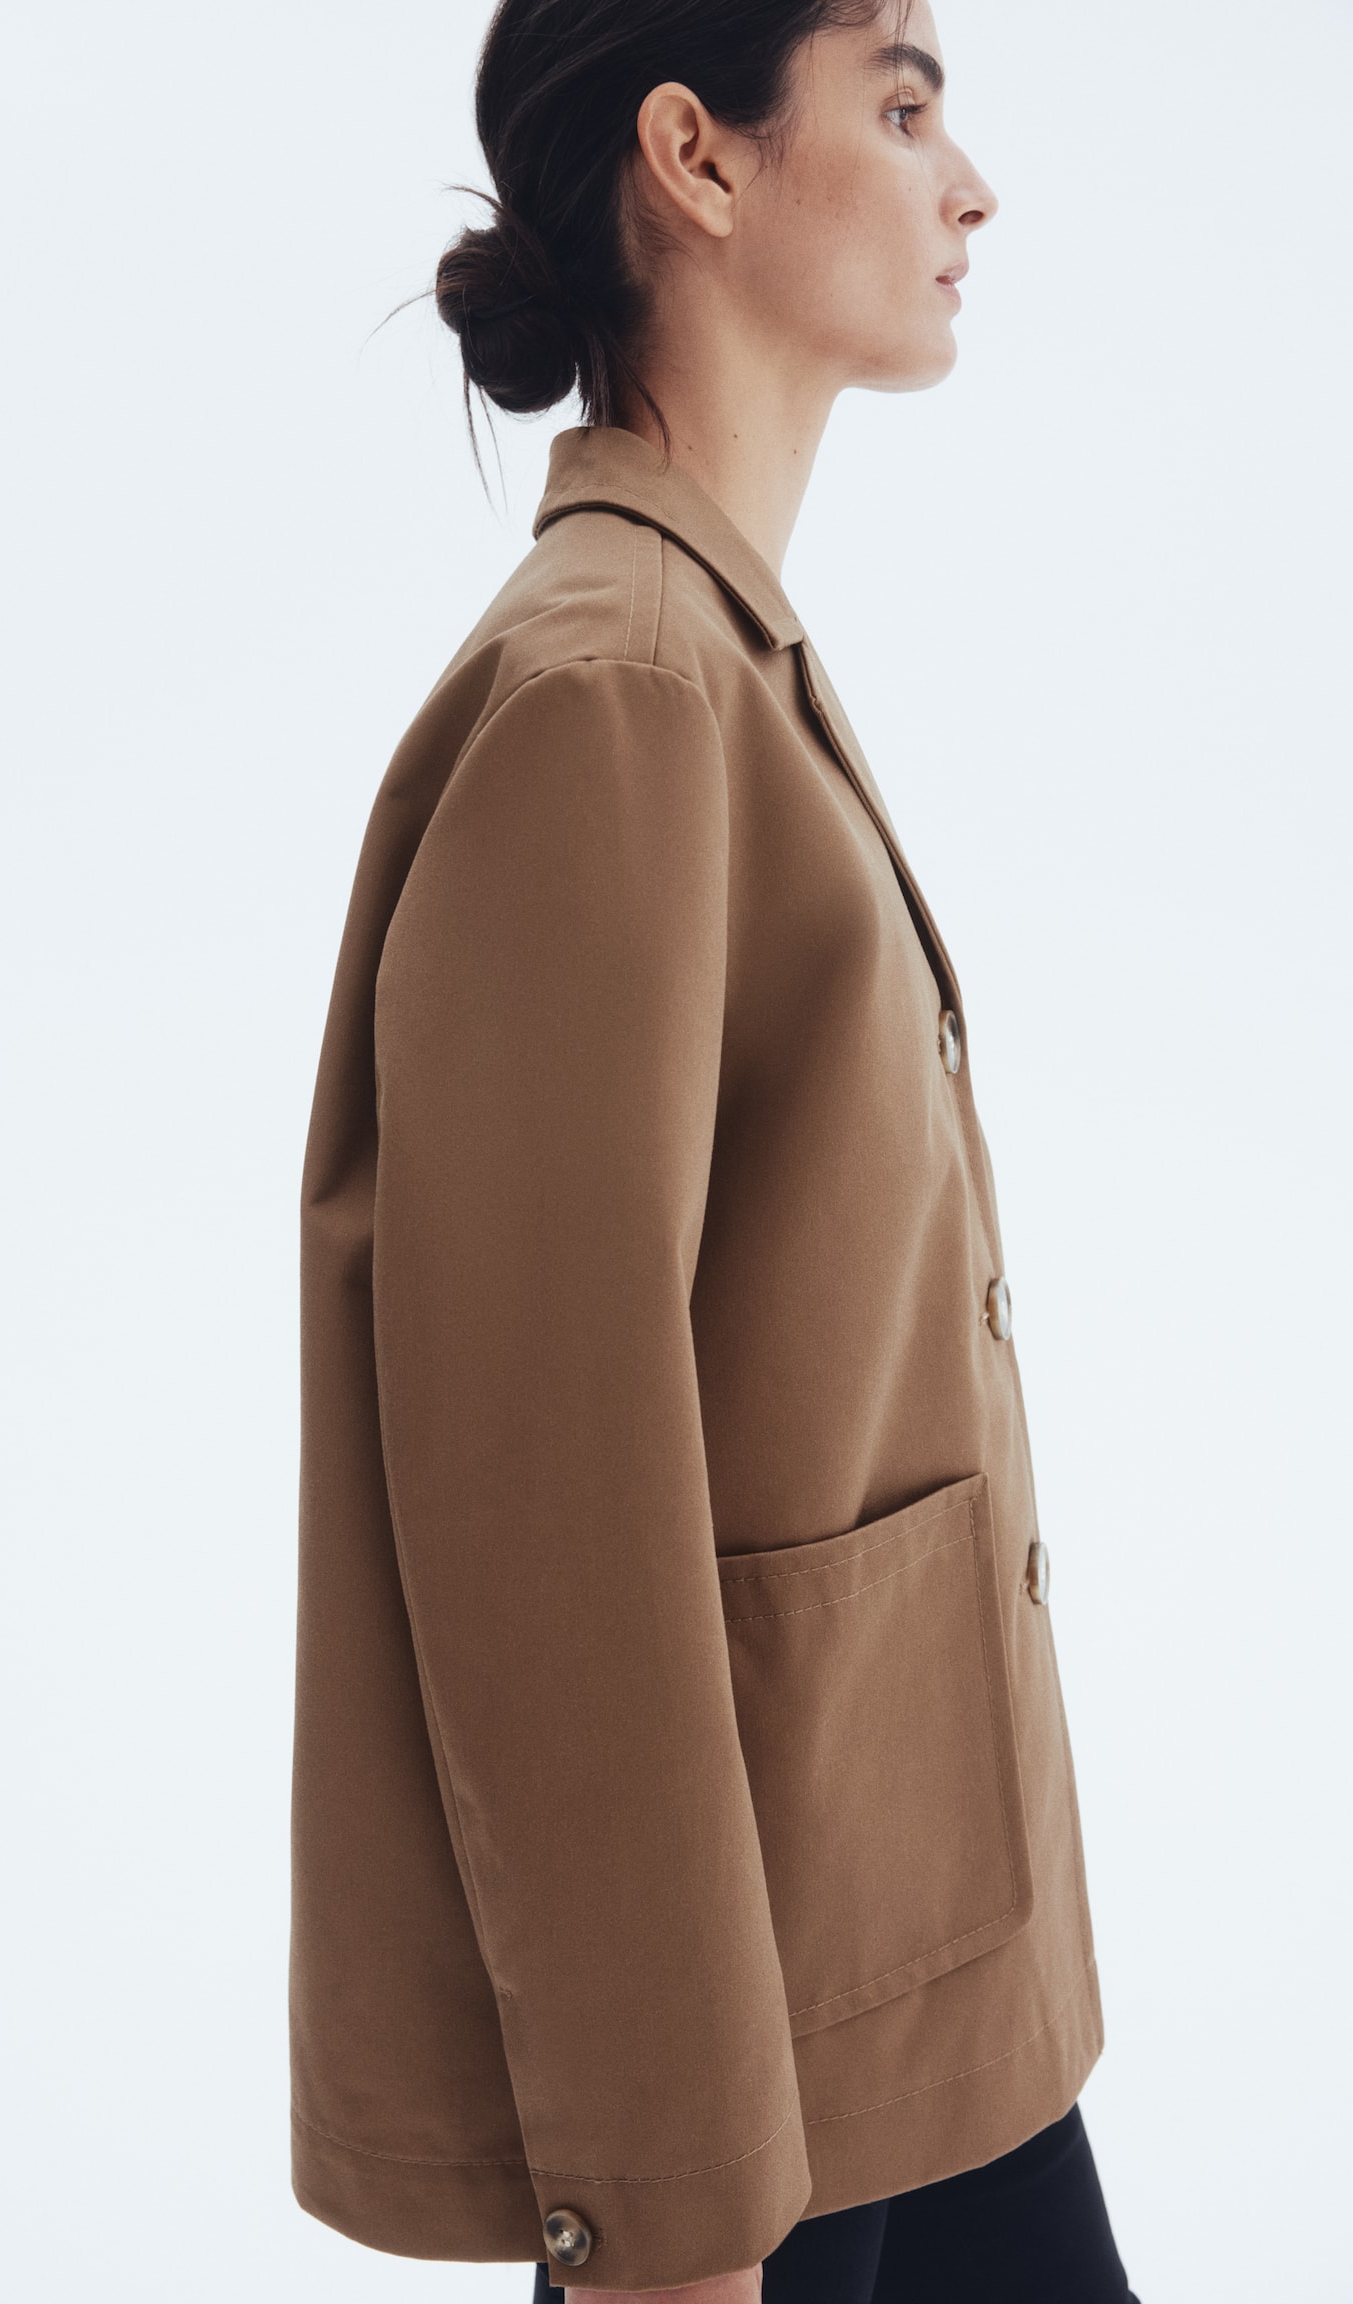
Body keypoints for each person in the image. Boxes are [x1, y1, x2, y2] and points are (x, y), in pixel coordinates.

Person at [290, 3, 1140, 2300]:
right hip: (746, 2066)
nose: (970, 182)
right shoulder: (616, 699)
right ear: (699, 157)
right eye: (902, 100)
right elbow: (540, 1511)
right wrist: (661, 2198)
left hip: (903, 1963)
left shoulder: (709, 658)